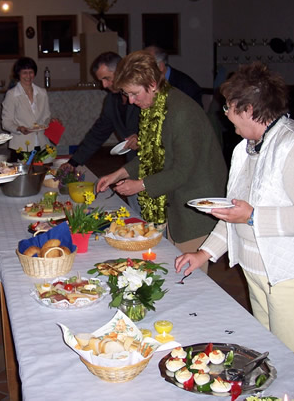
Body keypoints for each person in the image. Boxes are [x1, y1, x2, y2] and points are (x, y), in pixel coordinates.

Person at [175, 62, 294, 377]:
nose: (225, 114)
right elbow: (234, 212)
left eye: (229, 107)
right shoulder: (247, 148)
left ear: (249, 109)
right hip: (260, 272)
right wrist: (204, 253)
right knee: (271, 360)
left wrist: (254, 216)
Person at [96, 51, 227, 273]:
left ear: (152, 84)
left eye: (134, 93)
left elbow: (182, 171)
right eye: (127, 94)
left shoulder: (182, 112)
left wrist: (140, 185)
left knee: (187, 278)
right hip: (174, 201)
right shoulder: (154, 107)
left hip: (193, 208)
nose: (131, 101)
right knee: (170, 271)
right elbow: (151, 155)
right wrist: (118, 174)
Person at [62, 52, 140, 170]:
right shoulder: (111, 100)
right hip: (134, 163)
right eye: (101, 80)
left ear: (121, 71)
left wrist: (142, 139)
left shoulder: (142, 95)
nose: (104, 85)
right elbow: (98, 133)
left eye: (106, 78)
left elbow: (162, 128)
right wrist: (73, 162)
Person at [1, 57, 57, 159]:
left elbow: (46, 117)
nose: (28, 76)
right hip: (21, 146)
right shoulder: (12, 95)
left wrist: (52, 121)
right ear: (18, 74)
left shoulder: (42, 93)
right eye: (24, 73)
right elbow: (6, 122)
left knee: (44, 169)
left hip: (42, 144)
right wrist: (19, 128)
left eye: (31, 72)